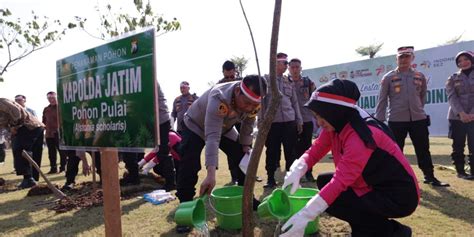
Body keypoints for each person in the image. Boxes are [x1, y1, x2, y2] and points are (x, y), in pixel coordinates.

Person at [281, 79, 419, 237]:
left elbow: (340, 181)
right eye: (316, 116)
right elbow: (316, 149)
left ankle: (393, 232)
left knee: (335, 196)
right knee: (325, 183)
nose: (318, 123)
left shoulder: (360, 135)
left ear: (334, 111)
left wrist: (306, 215)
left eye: (321, 116)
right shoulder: (338, 123)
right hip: (372, 184)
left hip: (397, 195)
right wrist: (298, 169)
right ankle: (368, 227)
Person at [176, 75, 265, 206]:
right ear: (237, 91)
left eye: (254, 105)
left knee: (242, 156)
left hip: (225, 127)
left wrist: (246, 145)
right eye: (246, 103)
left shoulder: (254, 104)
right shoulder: (219, 97)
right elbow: (212, 136)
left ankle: (246, 198)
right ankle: (185, 203)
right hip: (195, 125)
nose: (249, 108)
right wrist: (211, 174)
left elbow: (248, 124)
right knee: (190, 162)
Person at [374, 46, 449, 187]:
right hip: (396, 120)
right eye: (401, 57)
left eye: (407, 56)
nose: (404, 59)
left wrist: (418, 109)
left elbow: (422, 96)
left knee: (423, 149)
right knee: (395, 150)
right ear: (396, 59)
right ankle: (395, 178)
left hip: (418, 119)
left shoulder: (419, 76)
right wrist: (379, 120)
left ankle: (429, 176)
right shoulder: (388, 77)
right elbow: (382, 99)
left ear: (412, 58)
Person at [262, 52, 303, 188]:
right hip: (272, 123)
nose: (287, 65)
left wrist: (299, 120)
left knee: (290, 151)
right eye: (284, 63)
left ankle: (290, 178)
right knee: (272, 151)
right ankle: (270, 179)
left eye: (287, 63)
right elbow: (261, 103)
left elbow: (295, 102)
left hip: (289, 122)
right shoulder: (265, 81)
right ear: (275, 64)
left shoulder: (288, 81)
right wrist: (261, 122)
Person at [0, 98, 44, 188]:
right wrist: (10, 128)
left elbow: (16, 112)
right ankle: (32, 179)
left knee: (20, 150)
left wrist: (14, 126)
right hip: (31, 128)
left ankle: (29, 179)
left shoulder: (2, 102)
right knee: (27, 151)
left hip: (29, 126)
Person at [446, 51, 474, 180]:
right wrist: (461, 113)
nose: (463, 62)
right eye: (459, 61)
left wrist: (472, 113)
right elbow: (452, 97)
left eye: (466, 59)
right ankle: (460, 171)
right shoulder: (452, 78)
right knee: (458, 146)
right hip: (457, 117)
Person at [289, 58, 317, 182]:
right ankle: (296, 175)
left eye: (297, 67)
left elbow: (315, 99)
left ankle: (309, 173)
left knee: (307, 148)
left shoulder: (308, 82)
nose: (295, 70)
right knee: (293, 148)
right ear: (289, 68)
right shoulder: (285, 82)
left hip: (306, 119)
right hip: (291, 120)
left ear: (301, 68)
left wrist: (317, 117)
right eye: (292, 67)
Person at [14, 94, 44, 181]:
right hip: (21, 134)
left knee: (34, 153)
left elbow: (35, 123)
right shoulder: (14, 111)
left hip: (33, 132)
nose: (18, 102)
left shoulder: (31, 111)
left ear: (24, 100)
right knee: (22, 153)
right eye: (16, 100)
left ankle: (32, 178)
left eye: (19, 100)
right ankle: (28, 177)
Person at [42, 91, 67, 174]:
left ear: (56, 97)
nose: (51, 99)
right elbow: (44, 121)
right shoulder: (46, 109)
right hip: (49, 134)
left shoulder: (62, 107)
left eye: (52, 98)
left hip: (59, 133)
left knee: (62, 152)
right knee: (51, 153)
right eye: (49, 98)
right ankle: (53, 168)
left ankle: (63, 167)